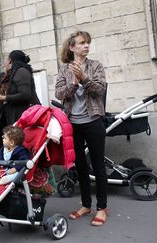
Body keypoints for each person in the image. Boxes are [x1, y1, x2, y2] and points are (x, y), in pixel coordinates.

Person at [55, 30, 108, 226]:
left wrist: (84, 78)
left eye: (88, 42)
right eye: (81, 43)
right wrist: (73, 83)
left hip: (93, 121)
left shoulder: (95, 66)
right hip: (73, 125)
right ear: (72, 47)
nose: (86, 45)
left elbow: (100, 90)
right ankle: (86, 205)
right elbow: (60, 93)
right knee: (81, 167)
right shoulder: (64, 69)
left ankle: (101, 208)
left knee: (98, 166)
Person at [0, 50, 40, 125]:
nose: (5, 64)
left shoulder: (21, 71)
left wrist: (3, 98)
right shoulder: (14, 74)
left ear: (10, 61)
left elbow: (25, 94)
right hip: (18, 118)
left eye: (6, 60)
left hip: (26, 118)